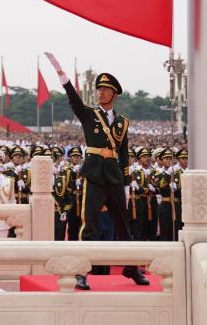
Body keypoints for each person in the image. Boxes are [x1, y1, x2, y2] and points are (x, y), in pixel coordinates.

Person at [45, 52, 148, 290]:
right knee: (89, 224)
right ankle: (82, 271)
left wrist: (126, 183)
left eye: (105, 89)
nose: (100, 92)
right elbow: (74, 101)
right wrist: (62, 75)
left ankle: (131, 267)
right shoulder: (89, 115)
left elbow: (123, 153)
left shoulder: (122, 123)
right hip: (94, 175)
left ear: (114, 94)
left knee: (123, 226)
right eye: (99, 89)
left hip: (114, 176)